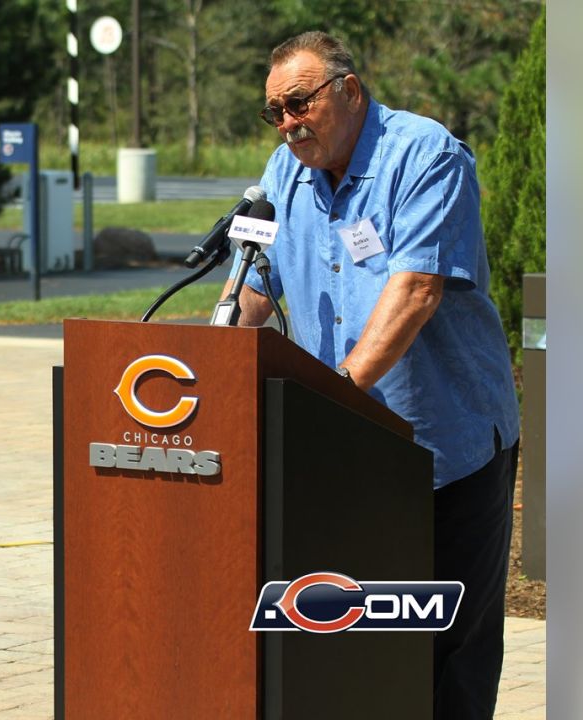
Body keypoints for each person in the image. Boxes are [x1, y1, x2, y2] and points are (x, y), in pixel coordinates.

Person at [224, 32, 521, 719]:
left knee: (445, 656)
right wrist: (209, 363)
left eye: (299, 104)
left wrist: (333, 398)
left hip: (447, 449)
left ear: (349, 91)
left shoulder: (426, 156)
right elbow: (253, 287)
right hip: (344, 454)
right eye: (276, 112)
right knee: (357, 644)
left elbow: (415, 290)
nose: (288, 124)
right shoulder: (281, 173)